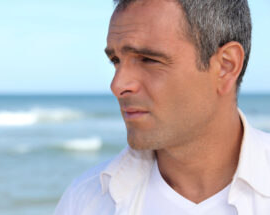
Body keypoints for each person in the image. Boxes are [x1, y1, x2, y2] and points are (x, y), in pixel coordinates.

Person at [54, 0, 270, 214]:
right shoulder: (85, 202)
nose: (117, 85)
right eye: (116, 60)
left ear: (226, 66)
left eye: (148, 60)